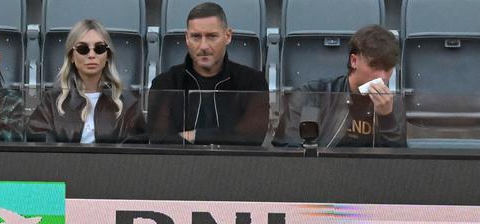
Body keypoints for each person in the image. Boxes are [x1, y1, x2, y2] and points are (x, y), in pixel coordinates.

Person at [148, 2, 269, 146]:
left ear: (228, 36)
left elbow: (251, 137)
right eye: (196, 37)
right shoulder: (165, 83)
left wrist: (194, 135)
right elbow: (159, 139)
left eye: (212, 36)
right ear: (187, 38)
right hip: (180, 166)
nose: (204, 46)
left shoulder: (253, 82)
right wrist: (225, 134)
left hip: (237, 166)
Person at [272, 24, 406, 149]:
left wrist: (386, 118)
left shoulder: (393, 104)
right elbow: (287, 151)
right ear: (354, 61)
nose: (382, 76)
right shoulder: (313, 94)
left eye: (388, 68)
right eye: (375, 66)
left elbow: (400, 165)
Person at [27, 19, 145, 143]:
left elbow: (135, 155)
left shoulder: (128, 103)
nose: (91, 55)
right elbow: (38, 149)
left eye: (99, 48)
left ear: (107, 56)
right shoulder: (51, 102)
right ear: (72, 56)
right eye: (83, 49)